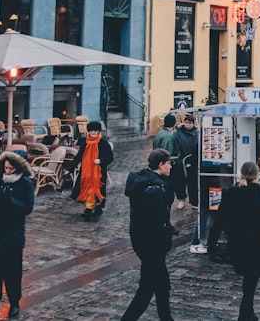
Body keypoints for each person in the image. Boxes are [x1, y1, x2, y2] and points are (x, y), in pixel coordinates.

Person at [207, 161, 260, 321]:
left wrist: (211, 245)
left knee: (249, 278)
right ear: (257, 176)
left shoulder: (230, 195)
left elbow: (218, 222)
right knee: (251, 279)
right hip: (255, 245)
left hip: (236, 243)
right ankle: (245, 314)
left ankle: (247, 313)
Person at [121, 148, 176, 321]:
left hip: (141, 239)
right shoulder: (157, 188)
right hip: (153, 243)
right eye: (169, 163)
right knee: (147, 288)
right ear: (160, 165)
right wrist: (166, 234)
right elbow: (157, 218)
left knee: (161, 284)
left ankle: (166, 318)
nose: (171, 167)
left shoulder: (142, 181)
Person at [0, 150, 35, 319]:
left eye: (11, 168)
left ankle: (14, 303)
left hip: (12, 234)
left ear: (18, 168)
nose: (7, 171)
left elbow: (27, 208)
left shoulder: (25, 184)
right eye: (6, 168)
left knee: (12, 272)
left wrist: (7, 199)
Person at [71, 120, 114, 221]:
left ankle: (88, 209)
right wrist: (70, 168)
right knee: (87, 189)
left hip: (98, 173)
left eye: (95, 130)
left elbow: (110, 157)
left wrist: (101, 161)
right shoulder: (85, 142)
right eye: (91, 131)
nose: (93, 132)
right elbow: (79, 156)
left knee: (94, 190)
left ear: (99, 131)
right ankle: (98, 208)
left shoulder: (103, 143)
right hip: (86, 171)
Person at [172, 114, 199, 210]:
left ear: (193, 124)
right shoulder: (178, 134)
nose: (188, 125)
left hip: (194, 161)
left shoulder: (197, 133)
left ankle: (194, 201)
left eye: (190, 123)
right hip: (181, 160)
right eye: (186, 122)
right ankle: (181, 199)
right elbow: (175, 146)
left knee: (193, 181)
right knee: (180, 181)